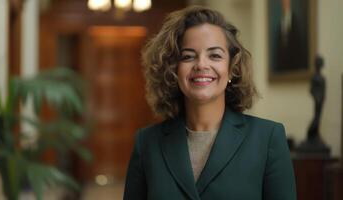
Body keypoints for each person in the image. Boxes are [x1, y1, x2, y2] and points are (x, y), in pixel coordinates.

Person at [124, 6, 296, 200]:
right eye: (188, 56)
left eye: (215, 55)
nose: (201, 65)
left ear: (232, 68)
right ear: (173, 69)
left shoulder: (268, 139)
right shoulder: (147, 143)